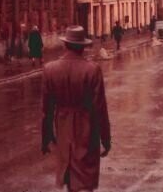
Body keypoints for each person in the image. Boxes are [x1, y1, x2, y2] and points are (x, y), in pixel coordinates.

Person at [41, 26, 111, 192]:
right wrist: (106, 140)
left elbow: (46, 110)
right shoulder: (92, 70)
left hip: (63, 130)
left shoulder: (50, 70)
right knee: (85, 182)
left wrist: (46, 139)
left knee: (69, 177)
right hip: (87, 131)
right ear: (83, 47)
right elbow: (100, 109)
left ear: (65, 45)